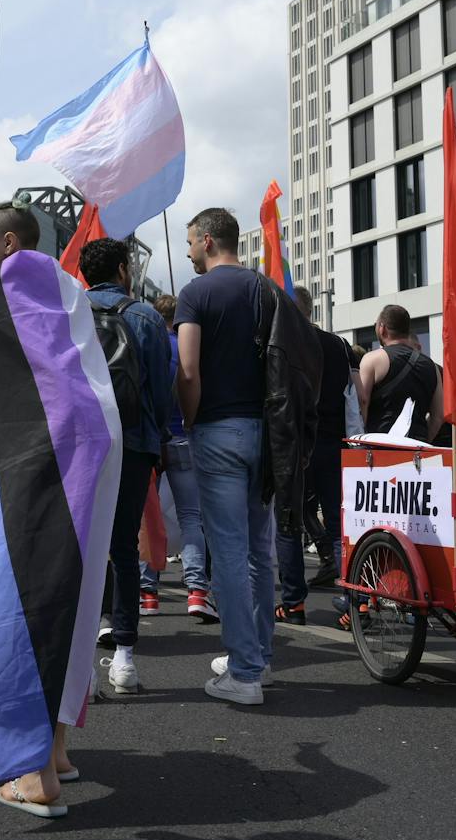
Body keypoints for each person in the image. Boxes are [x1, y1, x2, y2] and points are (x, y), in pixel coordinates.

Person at [0, 208, 121, 819]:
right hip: (90, 443)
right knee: (67, 590)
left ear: (11, 241)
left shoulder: (14, 283)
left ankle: (35, 774)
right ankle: (56, 746)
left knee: (11, 592)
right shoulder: (64, 286)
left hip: (36, 449)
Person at [175, 208, 275, 705]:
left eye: (191, 241)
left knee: (230, 553)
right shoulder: (267, 290)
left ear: (208, 240)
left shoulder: (195, 294)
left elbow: (188, 370)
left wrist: (189, 420)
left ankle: (243, 672)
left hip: (217, 430)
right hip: (269, 434)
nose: (188, 250)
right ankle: (260, 658)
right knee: (262, 550)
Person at [78, 236, 173, 695]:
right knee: (123, 547)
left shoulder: (69, 310)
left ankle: (81, 670)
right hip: (134, 442)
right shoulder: (147, 316)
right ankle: (125, 660)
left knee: (80, 548)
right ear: (121, 270)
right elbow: (160, 387)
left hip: (80, 443)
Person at [275, 285, 356, 625]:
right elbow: (356, 394)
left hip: (294, 444)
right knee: (340, 525)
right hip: (334, 442)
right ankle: (355, 602)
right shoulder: (339, 344)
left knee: (289, 524)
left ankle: (294, 603)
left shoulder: (281, 344)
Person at [146, 293, 211, 619]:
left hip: (154, 441)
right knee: (190, 517)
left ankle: (148, 593)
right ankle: (197, 590)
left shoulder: (151, 347)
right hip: (185, 437)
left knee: (149, 517)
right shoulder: (186, 348)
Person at [357, 305, 444, 440]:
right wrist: (423, 441)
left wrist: (362, 439)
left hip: (379, 445)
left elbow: (362, 401)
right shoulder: (431, 366)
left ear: (382, 328)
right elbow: (438, 415)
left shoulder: (372, 359)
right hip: (417, 447)